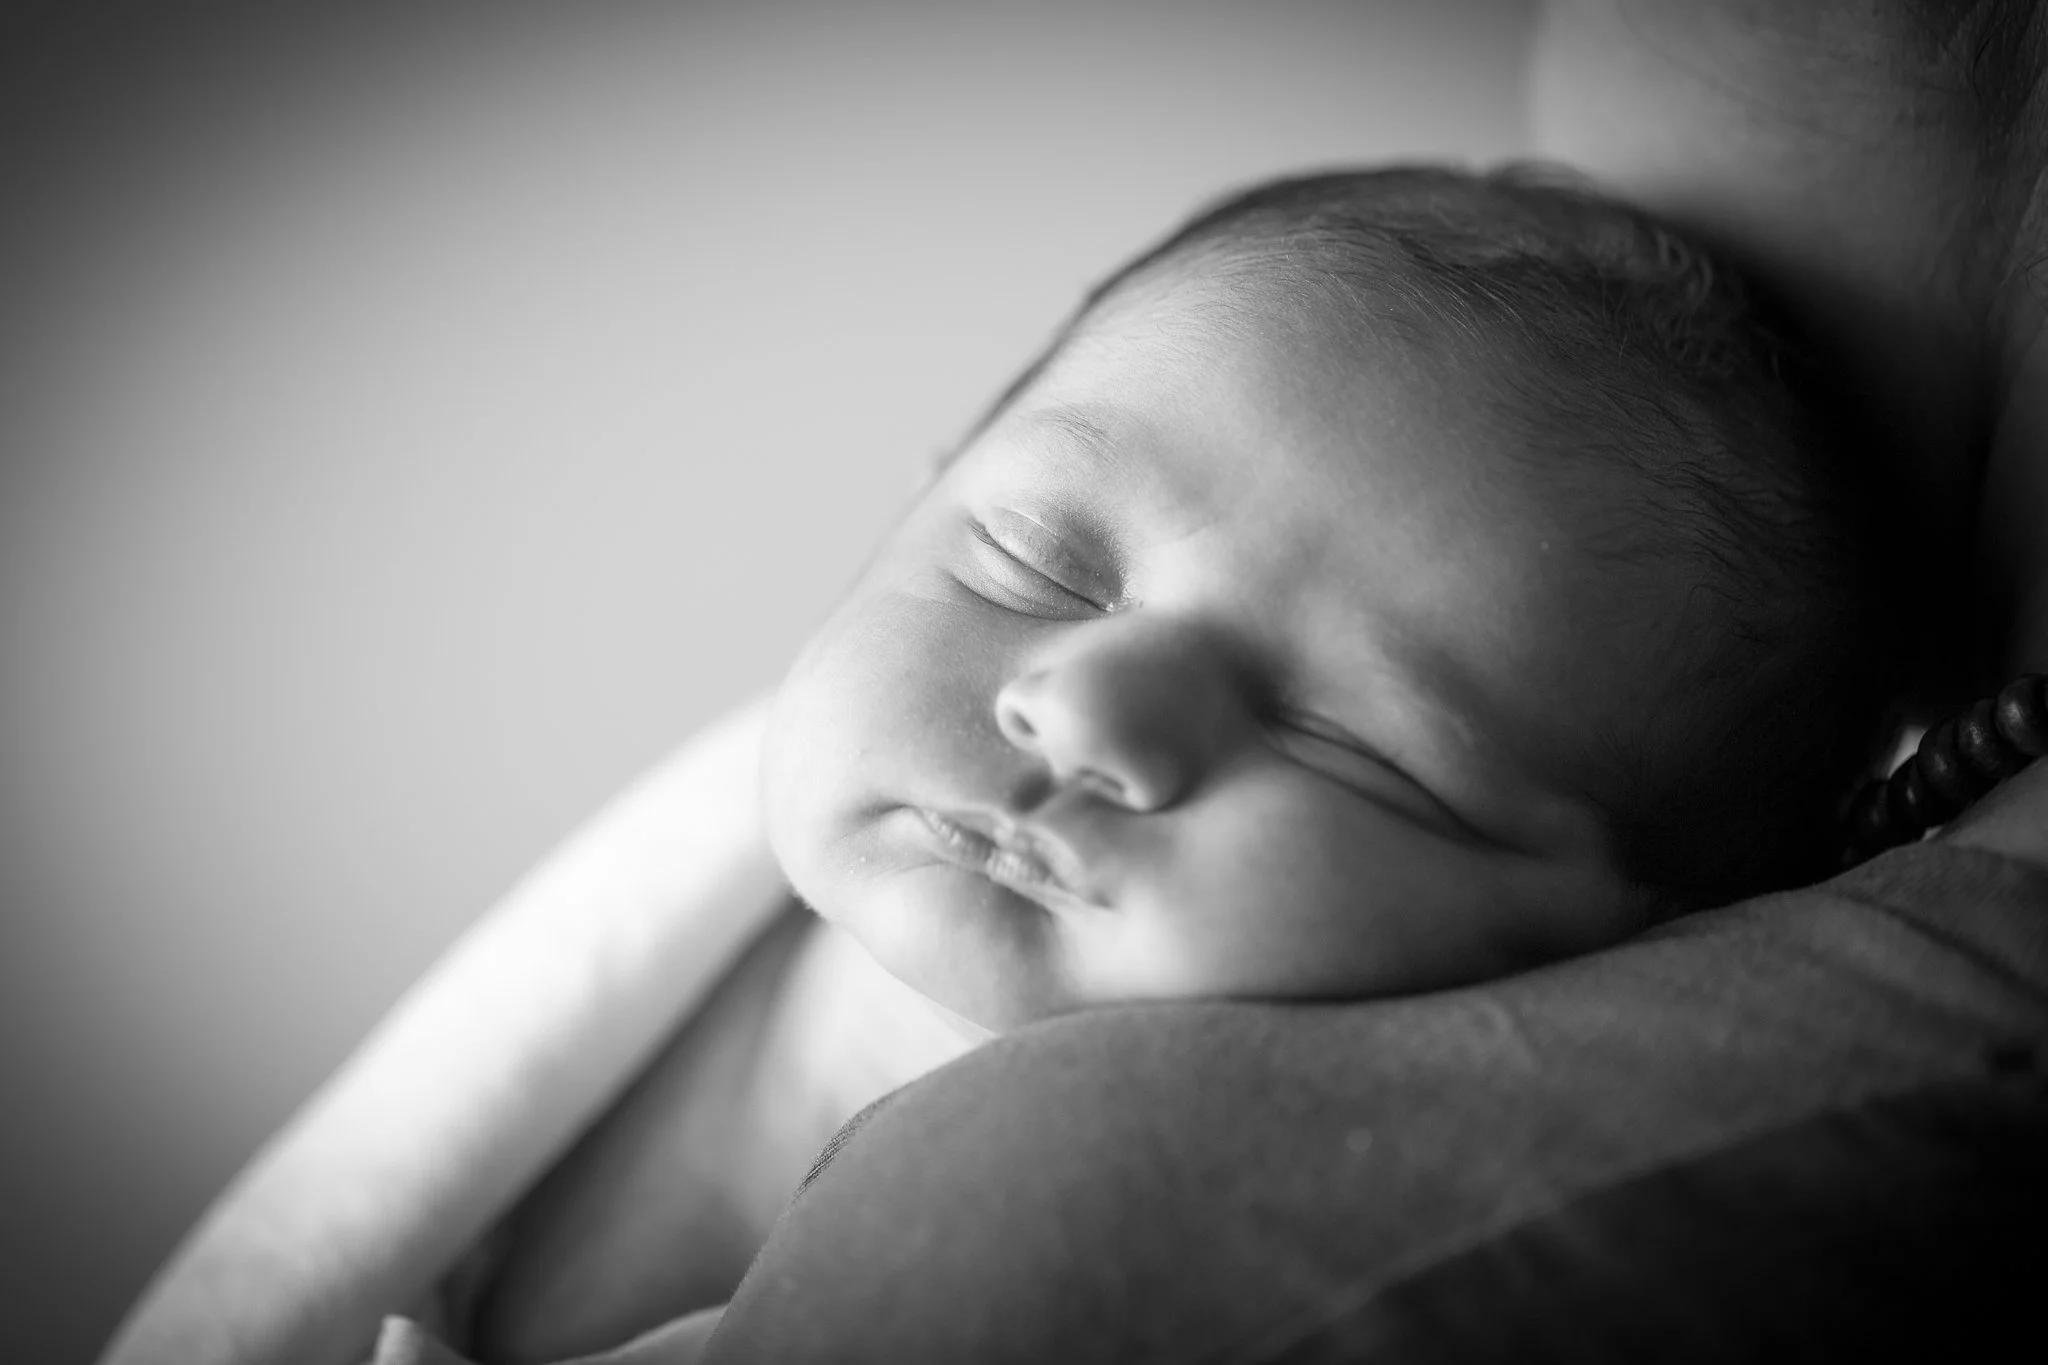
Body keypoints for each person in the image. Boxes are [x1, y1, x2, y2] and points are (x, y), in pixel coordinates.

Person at [101, 3, 2048, 1362]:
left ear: (1628, 944)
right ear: (926, 476)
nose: (1092, 714)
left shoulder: (1310, 1240)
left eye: (1359, 746)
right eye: (1033, 559)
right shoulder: (705, 886)